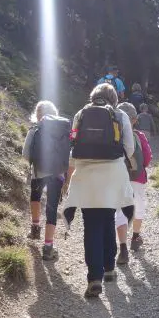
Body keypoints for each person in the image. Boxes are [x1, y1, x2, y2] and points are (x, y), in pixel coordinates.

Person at [61, 83, 134, 298]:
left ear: (93, 96)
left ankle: (94, 278)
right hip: (112, 175)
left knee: (91, 225)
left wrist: (70, 174)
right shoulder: (120, 116)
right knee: (108, 218)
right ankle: (109, 269)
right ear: (114, 98)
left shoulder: (80, 113)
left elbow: (73, 144)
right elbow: (129, 148)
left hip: (86, 176)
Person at [21, 101, 71, 261]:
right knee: (52, 208)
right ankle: (48, 246)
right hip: (57, 173)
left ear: (38, 114)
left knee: (35, 198)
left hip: (38, 171)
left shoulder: (35, 129)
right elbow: (68, 154)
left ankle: (35, 228)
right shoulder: (63, 129)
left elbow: (25, 154)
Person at [114, 102, 152, 264]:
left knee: (120, 212)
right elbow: (148, 158)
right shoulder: (139, 136)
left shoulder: (114, 135)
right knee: (138, 205)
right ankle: (135, 237)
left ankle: (122, 248)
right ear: (134, 120)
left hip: (119, 177)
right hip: (137, 178)